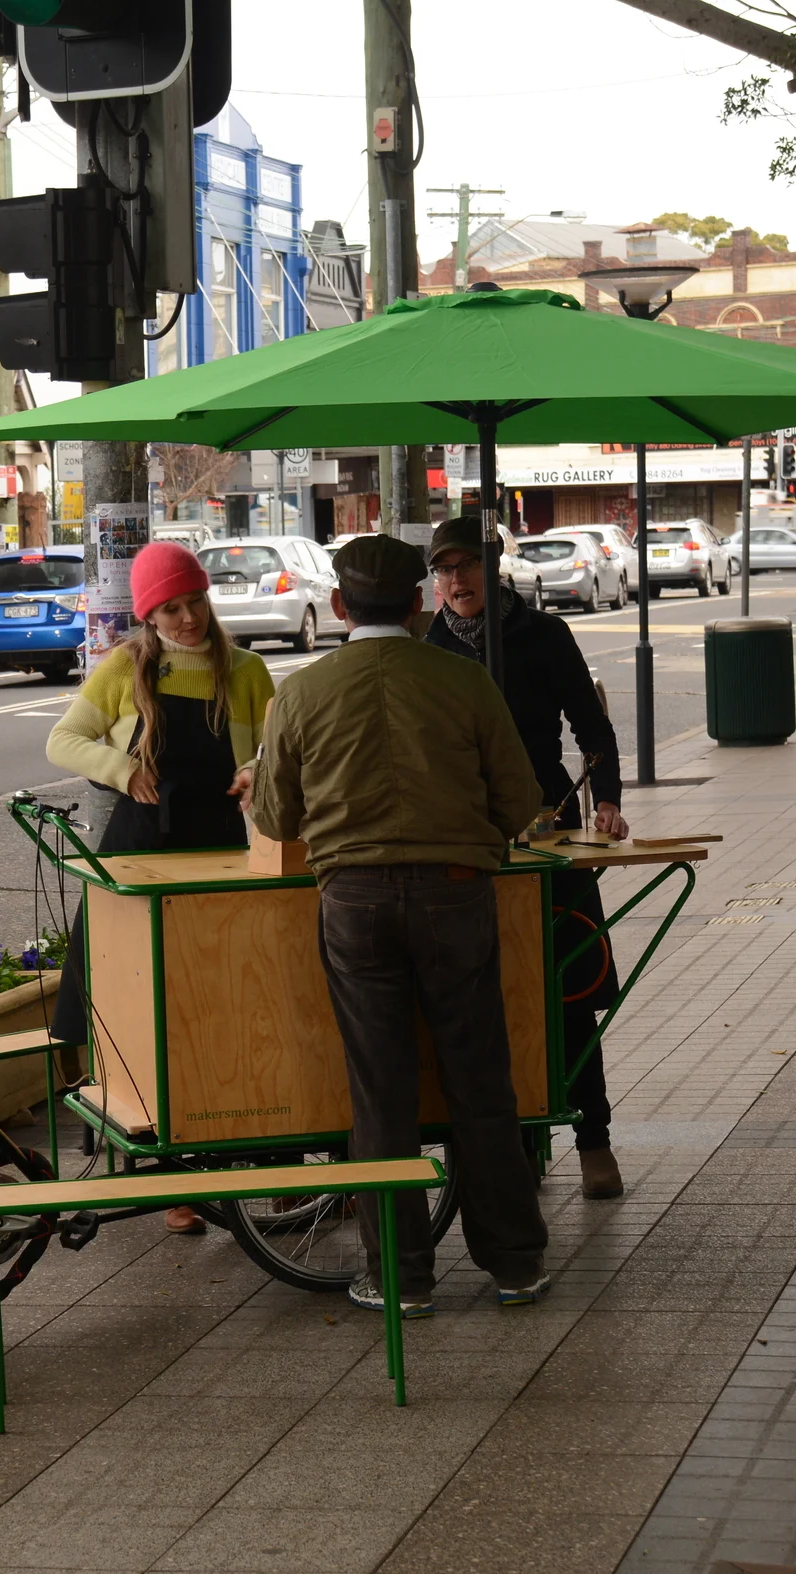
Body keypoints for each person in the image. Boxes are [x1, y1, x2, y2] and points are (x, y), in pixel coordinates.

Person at [251, 534, 551, 1317]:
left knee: (379, 1090)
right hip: (458, 894)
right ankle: (516, 1263)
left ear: (341, 606)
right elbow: (520, 803)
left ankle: (400, 1277)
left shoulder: (302, 692)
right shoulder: (464, 679)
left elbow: (276, 814)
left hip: (354, 901)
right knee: (480, 1079)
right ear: (418, 604)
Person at [46, 541, 275, 1234]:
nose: (186, 618)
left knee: (226, 1007)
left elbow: (281, 748)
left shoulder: (248, 670)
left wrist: (257, 773)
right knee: (146, 1014)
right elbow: (64, 739)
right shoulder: (125, 667)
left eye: (194, 601)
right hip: (140, 857)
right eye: (170, 608)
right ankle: (173, 1178)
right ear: (149, 614)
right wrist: (120, 768)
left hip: (224, 856)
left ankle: (264, 1163)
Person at [423, 517, 629, 1201]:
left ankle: (593, 1135)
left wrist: (607, 798)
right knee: (483, 998)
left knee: (567, 990)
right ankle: (510, 1143)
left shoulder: (543, 635)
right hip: (462, 840)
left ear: (495, 567)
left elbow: (589, 724)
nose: (457, 581)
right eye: (445, 570)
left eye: (469, 566)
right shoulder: (426, 649)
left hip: (547, 827)